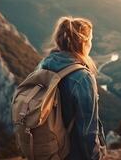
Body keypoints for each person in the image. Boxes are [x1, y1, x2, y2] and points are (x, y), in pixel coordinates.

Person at [36, 16, 107, 160]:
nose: (91, 44)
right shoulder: (82, 77)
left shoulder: (44, 65)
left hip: (49, 150)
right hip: (73, 154)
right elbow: (87, 130)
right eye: (91, 40)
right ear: (83, 42)